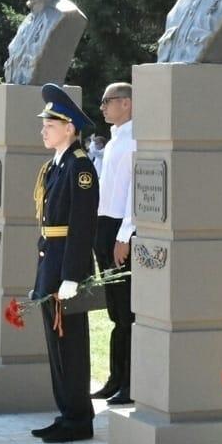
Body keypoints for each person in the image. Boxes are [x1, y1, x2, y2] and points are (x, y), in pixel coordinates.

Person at [29, 84, 98, 443]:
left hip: (65, 270)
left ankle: (79, 419)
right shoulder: (56, 166)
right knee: (56, 347)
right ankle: (66, 413)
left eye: (50, 125)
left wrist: (72, 275)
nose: (43, 130)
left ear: (69, 128)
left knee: (70, 347)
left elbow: (82, 225)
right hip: (51, 265)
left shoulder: (79, 166)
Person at [92, 83, 135, 405]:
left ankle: (130, 382)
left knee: (126, 311)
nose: (103, 107)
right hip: (104, 225)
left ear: (126, 103)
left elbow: (135, 190)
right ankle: (115, 378)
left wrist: (125, 235)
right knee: (115, 311)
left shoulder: (135, 139)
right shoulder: (115, 139)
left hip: (120, 227)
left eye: (108, 101)